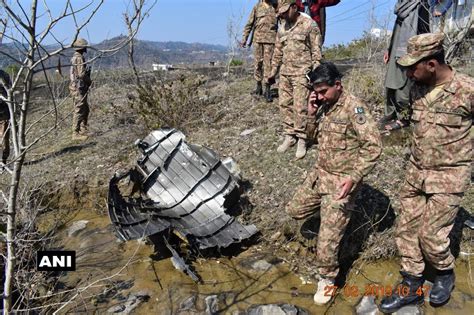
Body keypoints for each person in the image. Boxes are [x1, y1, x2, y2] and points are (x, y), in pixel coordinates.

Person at [379, 33, 473, 313]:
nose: (408, 73)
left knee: (431, 235)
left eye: (413, 67)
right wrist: (392, 126)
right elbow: (412, 116)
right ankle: (411, 282)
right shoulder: (419, 87)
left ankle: (444, 273)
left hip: (449, 176)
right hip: (416, 172)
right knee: (406, 230)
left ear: (431, 64)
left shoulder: (467, 89)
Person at [286, 62, 382, 305]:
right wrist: (309, 111)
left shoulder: (355, 108)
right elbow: (309, 138)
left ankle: (327, 278)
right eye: (315, 91)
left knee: (326, 245)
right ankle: (330, 226)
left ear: (337, 85)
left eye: (323, 91)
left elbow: (373, 147)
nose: (318, 96)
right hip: (320, 175)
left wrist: (354, 177)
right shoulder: (323, 106)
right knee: (294, 211)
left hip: (341, 183)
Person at [267, 0, 322, 159]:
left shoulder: (309, 25)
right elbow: (278, 52)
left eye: (285, 11)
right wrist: (272, 72)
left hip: (301, 73)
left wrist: (315, 75)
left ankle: (302, 139)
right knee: (284, 104)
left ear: (294, 7)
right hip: (285, 73)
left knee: (300, 107)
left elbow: (316, 52)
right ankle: (289, 135)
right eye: (281, 13)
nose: (283, 15)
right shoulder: (282, 27)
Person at [380, 0, 430, 131]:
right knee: (390, 83)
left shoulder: (420, 6)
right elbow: (397, 31)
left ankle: (404, 118)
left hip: (408, 53)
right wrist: (389, 50)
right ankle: (390, 114)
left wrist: (417, 57)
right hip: (396, 49)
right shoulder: (402, 7)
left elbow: (425, 33)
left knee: (403, 87)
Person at [240, 0, 278, 102]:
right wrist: (244, 39)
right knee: (257, 64)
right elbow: (249, 24)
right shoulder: (257, 7)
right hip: (257, 40)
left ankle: (267, 89)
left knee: (268, 65)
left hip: (270, 41)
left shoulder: (276, 6)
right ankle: (258, 86)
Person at [70, 38, 92, 141]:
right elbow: (81, 74)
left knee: (85, 108)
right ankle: (75, 133)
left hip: (78, 87)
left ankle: (83, 129)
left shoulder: (76, 57)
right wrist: (89, 80)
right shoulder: (78, 58)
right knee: (79, 109)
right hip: (78, 87)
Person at [0, 69, 11, 166]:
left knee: (4, 138)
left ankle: (3, 161)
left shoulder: (3, 76)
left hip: (4, 113)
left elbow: (9, 93)